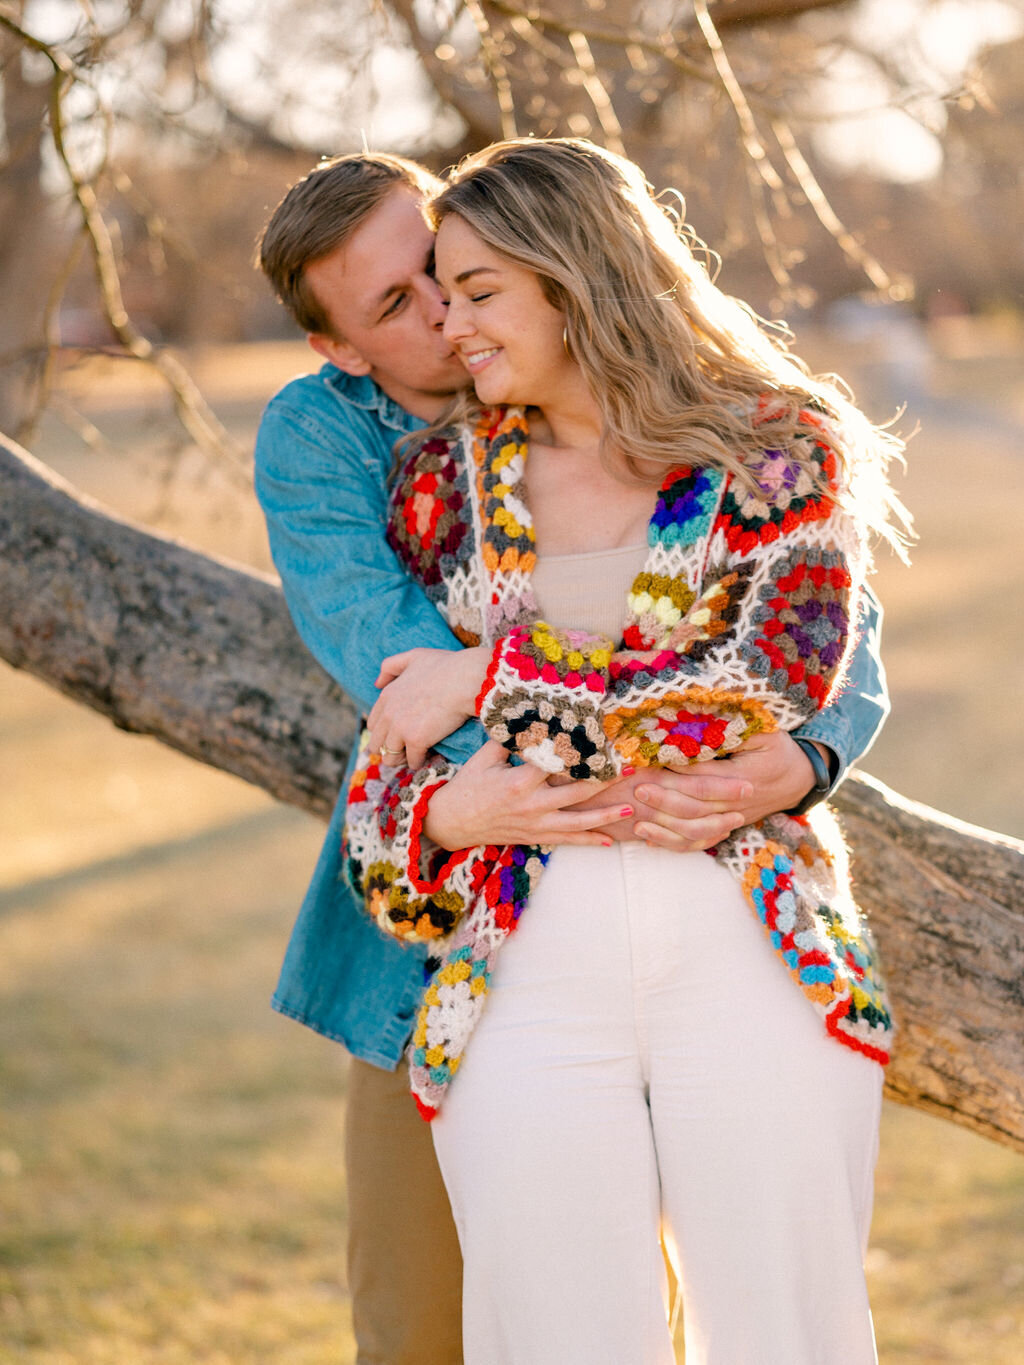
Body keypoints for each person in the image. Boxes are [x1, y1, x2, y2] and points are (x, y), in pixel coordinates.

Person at [253, 151, 892, 1364]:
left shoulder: (768, 446)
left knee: (784, 1329)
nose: (449, 317)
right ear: (348, 345)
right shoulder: (430, 483)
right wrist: (443, 816)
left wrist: (495, 679)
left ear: (568, 276)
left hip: (742, 937)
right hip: (507, 962)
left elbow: (776, 673)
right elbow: (398, 759)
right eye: (414, 299)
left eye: (468, 282)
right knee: (516, 1333)